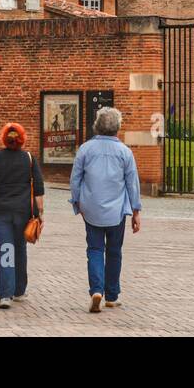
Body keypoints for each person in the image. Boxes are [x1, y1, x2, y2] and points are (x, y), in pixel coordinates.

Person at [69, 106, 141, 313]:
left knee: (94, 249)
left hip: (91, 208)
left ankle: (96, 290)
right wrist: (136, 211)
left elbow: (75, 179)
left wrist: (77, 202)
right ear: (117, 128)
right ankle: (111, 295)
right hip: (116, 210)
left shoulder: (85, 149)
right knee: (114, 252)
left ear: (97, 127)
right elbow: (132, 184)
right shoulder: (125, 152)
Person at [0, 122, 44, 309]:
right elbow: (38, 189)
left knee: (6, 249)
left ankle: (5, 294)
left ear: (4, 138)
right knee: (20, 248)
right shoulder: (29, 159)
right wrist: (41, 214)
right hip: (23, 212)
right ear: (22, 139)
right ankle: (19, 290)